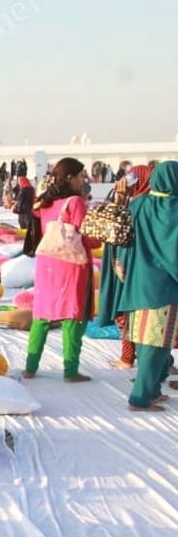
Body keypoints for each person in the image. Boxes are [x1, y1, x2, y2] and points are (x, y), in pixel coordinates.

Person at [98, 161, 178, 411]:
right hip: (163, 287)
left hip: (135, 283)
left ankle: (152, 390)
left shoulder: (138, 204)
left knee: (147, 339)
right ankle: (140, 398)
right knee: (157, 343)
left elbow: (120, 241)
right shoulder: (173, 210)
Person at [21, 157, 99, 382]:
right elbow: (85, 236)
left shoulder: (45, 202)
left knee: (42, 314)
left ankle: (30, 367)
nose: (83, 180)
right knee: (73, 314)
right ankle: (70, 370)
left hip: (47, 262)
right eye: (81, 176)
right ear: (70, 177)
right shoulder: (75, 202)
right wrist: (100, 241)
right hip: (71, 264)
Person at [99, 165, 153, 370]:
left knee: (131, 314)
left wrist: (119, 201)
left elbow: (114, 233)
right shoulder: (156, 205)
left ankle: (130, 358)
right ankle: (159, 363)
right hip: (148, 272)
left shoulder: (137, 206)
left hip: (132, 270)